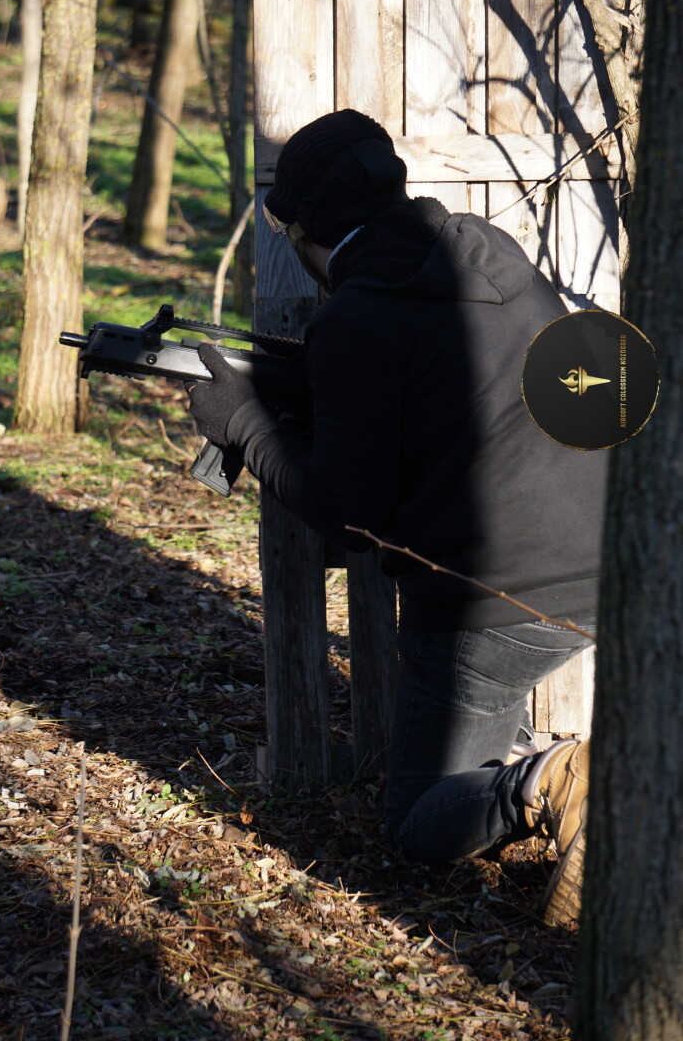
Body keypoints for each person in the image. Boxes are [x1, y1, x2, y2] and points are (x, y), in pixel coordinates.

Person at [187, 108, 602, 926]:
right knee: (472, 747)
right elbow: (445, 390)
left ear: (302, 232)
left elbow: (347, 516)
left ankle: (553, 779)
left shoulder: (356, 318)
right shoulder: (487, 248)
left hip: (497, 599)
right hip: (609, 558)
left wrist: (245, 425)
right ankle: (569, 791)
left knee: (418, 823)